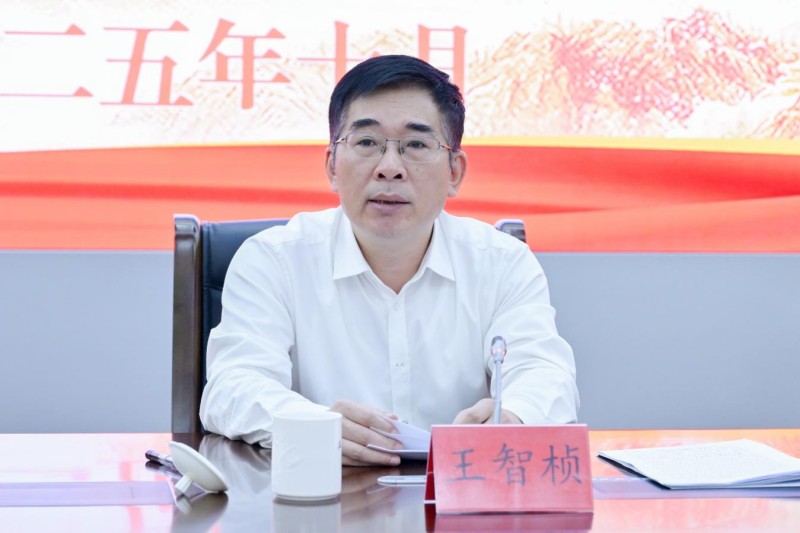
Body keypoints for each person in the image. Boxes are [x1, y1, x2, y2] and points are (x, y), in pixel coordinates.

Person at [199, 54, 579, 466]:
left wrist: (514, 417)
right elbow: (232, 386)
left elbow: (545, 372)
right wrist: (314, 425)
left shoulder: (502, 263)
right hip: (319, 490)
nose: (390, 168)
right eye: (367, 143)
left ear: (454, 172)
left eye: (416, 145)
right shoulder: (273, 260)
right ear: (332, 166)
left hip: (460, 491)